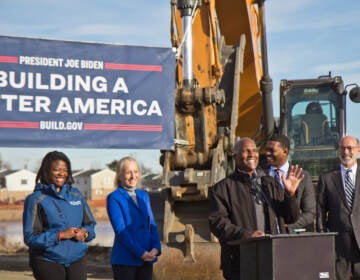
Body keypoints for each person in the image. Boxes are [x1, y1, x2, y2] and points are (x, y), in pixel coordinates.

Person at [208, 137, 303, 280]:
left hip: (274, 259)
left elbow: (291, 217)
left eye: (254, 150)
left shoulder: (270, 183)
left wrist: (290, 195)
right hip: (242, 261)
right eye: (246, 151)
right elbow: (218, 224)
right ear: (235, 157)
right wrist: (246, 235)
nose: (251, 154)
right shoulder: (222, 189)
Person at [23, 151, 96, 280]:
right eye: (57, 169)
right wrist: (61, 235)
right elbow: (30, 238)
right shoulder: (35, 199)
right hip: (47, 260)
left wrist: (85, 233)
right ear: (46, 171)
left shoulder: (77, 195)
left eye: (65, 170)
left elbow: (90, 224)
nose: (62, 173)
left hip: (77, 259)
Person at [106, 156, 161, 280]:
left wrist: (156, 247)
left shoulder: (144, 195)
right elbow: (121, 231)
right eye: (128, 172)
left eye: (135, 172)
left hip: (147, 259)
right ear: (120, 176)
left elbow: (151, 224)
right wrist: (140, 252)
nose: (133, 176)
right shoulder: (113, 198)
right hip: (125, 260)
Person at [317, 135, 360, 279]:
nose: (346, 152)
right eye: (342, 148)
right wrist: (323, 238)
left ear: (358, 150)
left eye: (350, 148)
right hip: (339, 248)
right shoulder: (327, 178)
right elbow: (320, 210)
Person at [265, 134, 316, 232]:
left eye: (271, 150)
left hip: (292, 237)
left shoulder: (302, 177)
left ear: (285, 151)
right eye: (266, 149)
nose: (267, 153)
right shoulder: (259, 174)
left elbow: (310, 213)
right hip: (266, 234)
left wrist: (287, 226)